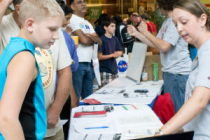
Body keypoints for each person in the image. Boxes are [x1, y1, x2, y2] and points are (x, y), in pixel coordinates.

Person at [0, 0, 74, 139]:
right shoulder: (24, 58)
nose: (57, 36)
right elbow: (6, 119)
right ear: (29, 24)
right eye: (52, 29)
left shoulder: (14, 47)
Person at [154, 0, 210, 139]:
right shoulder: (201, 52)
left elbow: (199, 101)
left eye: (184, 22)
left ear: (202, 20)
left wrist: (162, 132)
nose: (179, 29)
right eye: (175, 24)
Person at [127, 0, 192, 113]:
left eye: (158, 3)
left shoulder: (174, 22)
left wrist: (146, 32)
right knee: (172, 112)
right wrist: (136, 34)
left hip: (177, 73)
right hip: (171, 73)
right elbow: (156, 44)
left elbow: (164, 45)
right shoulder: (167, 21)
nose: (157, 6)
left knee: (176, 113)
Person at [69, 0, 102, 100]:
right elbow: (83, 40)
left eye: (85, 1)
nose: (83, 4)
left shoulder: (87, 23)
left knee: (88, 98)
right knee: (75, 98)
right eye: (79, 2)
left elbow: (99, 41)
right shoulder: (71, 20)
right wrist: (91, 37)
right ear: (72, 6)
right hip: (77, 63)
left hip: (89, 63)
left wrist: (89, 37)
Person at [57, 1, 79, 140]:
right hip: (62, 88)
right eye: (67, 18)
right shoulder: (63, 37)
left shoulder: (64, 35)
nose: (68, 21)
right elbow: (71, 66)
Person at [98, 18, 123, 86]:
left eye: (115, 26)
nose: (114, 28)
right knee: (108, 93)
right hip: (105, 70)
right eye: (112, 26)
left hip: (115, 70)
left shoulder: (115, 39)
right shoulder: (101, 39)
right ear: (105, 27)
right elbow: (99, 57)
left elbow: (120, 51)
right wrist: (112, 55)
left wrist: (119, 53)